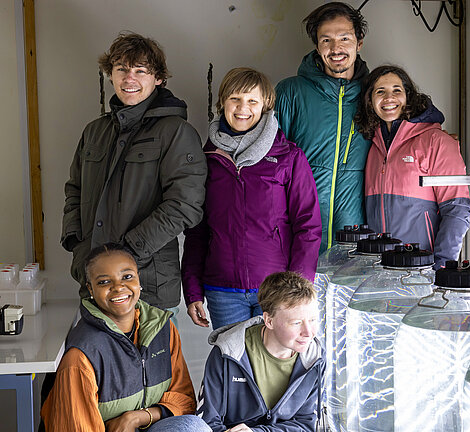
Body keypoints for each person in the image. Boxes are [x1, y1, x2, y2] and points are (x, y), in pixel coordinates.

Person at [61, 32, 207, 310]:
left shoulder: (176, 132)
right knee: (96, 354)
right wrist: (78, 247)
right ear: (111, 75)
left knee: (152, 354)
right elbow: (74, 191)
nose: (130, 78)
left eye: (141, 71)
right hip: (93, 280)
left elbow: (185, 205)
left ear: (159, 78)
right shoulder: (94, 132)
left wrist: (124, 258)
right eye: (122, 69)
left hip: (147, 284)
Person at [182, 67, 322, 330]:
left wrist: (298, 288)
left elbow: (308, 226)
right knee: (234, 367)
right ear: (222, 102)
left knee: (277, 366)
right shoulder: (206, 160)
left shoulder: (288, 157)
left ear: (265, 105)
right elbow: (196, 231)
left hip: (277, 291)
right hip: (222, 291)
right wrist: (192, 291)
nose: (242, 108)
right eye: (235, 98)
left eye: (252, 101)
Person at [40, 243, 209, 432]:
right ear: (90, 289)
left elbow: (184, 401)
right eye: (104, 282)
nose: (118, 287)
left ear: (139, 279)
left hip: (148, 426)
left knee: (194, 427)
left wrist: (136, 418)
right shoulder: (81, 355)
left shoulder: (163, 329)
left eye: (127, 277)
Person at [275, 2, 371, 252]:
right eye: (326, 40)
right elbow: (270, 162)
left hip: (356, 244)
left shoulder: (374, 95)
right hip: (298, 236)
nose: (336, 48)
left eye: (344, 38)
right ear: (317, 46)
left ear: (359, 42)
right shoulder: (290, 91)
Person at [356, 65, 470, 268]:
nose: (389, 98)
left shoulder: (437, 141)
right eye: (380, 91)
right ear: (370, 100)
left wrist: (441, 266)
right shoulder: (372, 146)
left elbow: (457, 210)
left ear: (409, 96)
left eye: (397, 90)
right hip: (380, 272)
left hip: (423, 270)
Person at [197, 272, 324, 431]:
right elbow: (207, 422)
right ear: (269, 321)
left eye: (313, 320)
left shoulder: (315, 358)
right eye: (296, 323)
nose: (308, 332)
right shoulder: (227, 353)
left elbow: (306, 424)